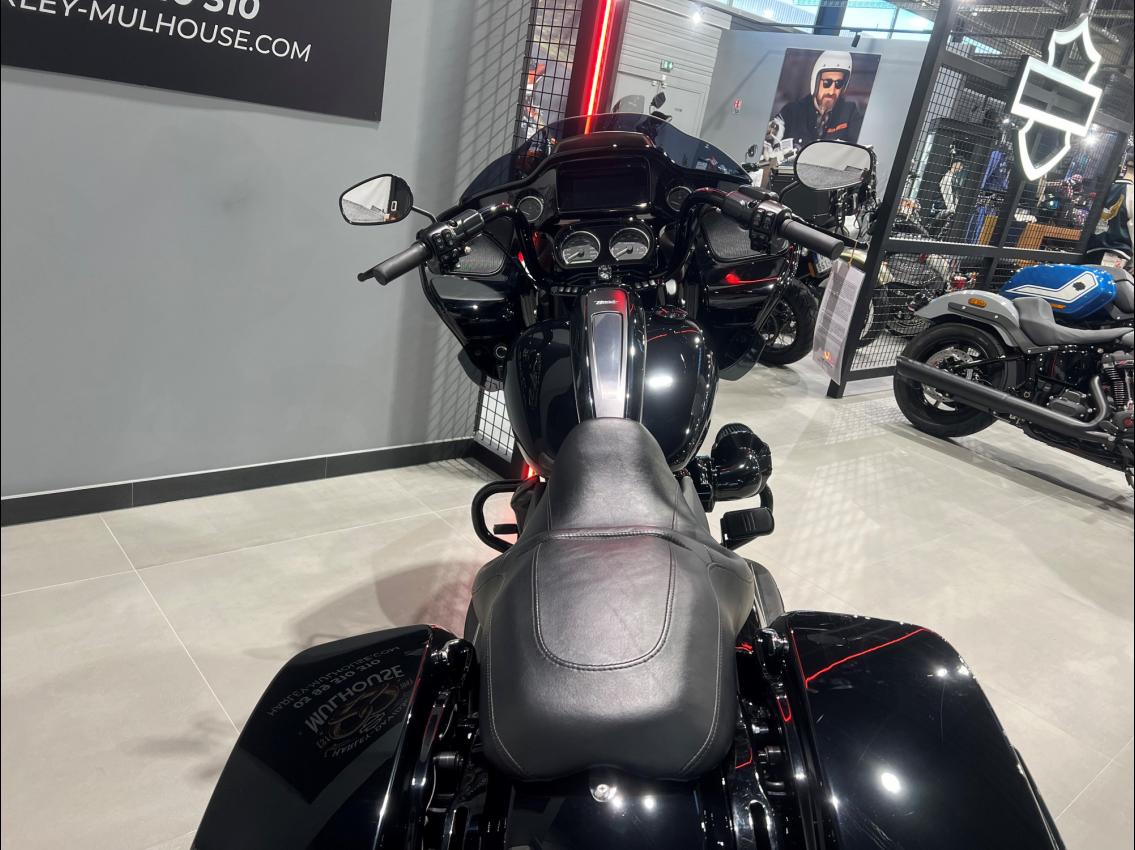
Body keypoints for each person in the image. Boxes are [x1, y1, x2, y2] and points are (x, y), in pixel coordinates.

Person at [774, 51, 862, 150]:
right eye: (827, 82)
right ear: (816, 81)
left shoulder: (850, 112)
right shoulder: (791, 112)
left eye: (839, 83)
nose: (832, 91)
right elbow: (773, 136)